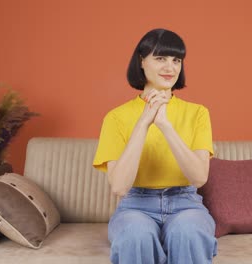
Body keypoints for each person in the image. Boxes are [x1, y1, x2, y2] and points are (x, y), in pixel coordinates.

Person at [93, 28, 217, 264]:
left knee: (188, 233)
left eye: (176, 60)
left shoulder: (198, 113)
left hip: (186, 204)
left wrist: (165, 125)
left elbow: (199, 178)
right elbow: (119, 186)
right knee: (135, 236)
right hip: (135, 206)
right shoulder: (116, 118)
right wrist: (144, 122)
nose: (170, 68)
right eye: (160, 58)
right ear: (141, 61)